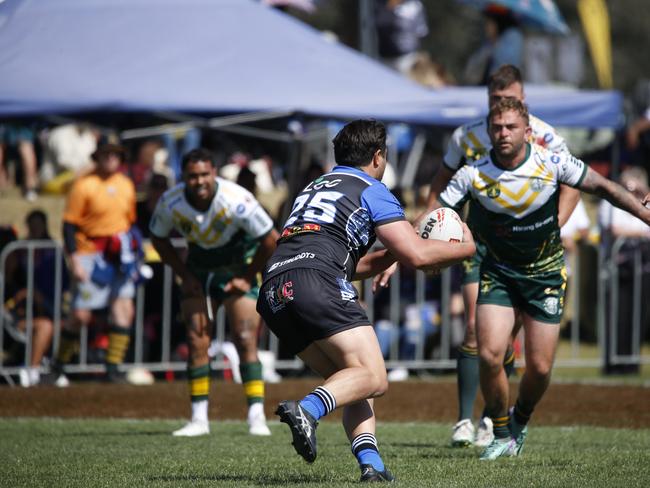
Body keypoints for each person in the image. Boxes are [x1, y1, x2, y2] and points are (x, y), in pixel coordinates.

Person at [256, 120, 476, 482]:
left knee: (354, 380)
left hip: (276, 287)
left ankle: (371, 466)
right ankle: (307, 410)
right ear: (378, 156)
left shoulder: (312, 187)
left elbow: (346, 262)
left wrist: (391, 255)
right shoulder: (372, 189)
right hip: (316, 281)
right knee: (374, 376)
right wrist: (469, 248)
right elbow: (419, 255)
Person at [438, 98, 650, 460]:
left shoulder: (552, 162)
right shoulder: (472, 173)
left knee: (539, 368)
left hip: (545, 276)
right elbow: (436, 215)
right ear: (489, 131)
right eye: (497, 127)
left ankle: (520, 420)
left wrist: (645, 216)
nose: (503, 134)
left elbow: (607, 188)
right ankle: (501, 432)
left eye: (511, 127)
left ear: (528, 131)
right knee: (490, 354)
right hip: (498, 274)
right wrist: (401, 253)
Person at [416, 64, 580, 449]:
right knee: (478, 330)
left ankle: (496, 419)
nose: (504, 107)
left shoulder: (545, 136)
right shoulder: (467, 135)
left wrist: (558, 221)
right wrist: (431, 227)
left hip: (533, 251)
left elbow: (576, 181)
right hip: (479, 243)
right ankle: (464, 420)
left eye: (514, 100)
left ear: (524, 101)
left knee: (514, 346)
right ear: (488, 102)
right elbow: (441, 182)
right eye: (495, 102)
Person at [149, 148, 278, 437]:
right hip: (200, 274)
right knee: (197, 342)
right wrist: (184, 275)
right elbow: (157, 237)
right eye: (193, 176)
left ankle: (256, 416)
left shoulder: (236, 200)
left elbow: (271, 239)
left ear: (214, 173)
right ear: (184, 177)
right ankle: (198, 419)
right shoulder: (171, 203)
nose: (199, 181)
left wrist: (246, 278)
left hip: (237, 270)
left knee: (245, 339)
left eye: (205, 174)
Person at [54, 143, 139, 386]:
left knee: (123, 310)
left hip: (119, 255)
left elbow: (129, 222)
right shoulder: (84, 185)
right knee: (80, 315)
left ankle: (113, 368)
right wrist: (74, 259)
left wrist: (133, 254)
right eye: (106, 154)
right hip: (90, 252)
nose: (111, 158)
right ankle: (58, 364)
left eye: (115, 155)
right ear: (98, 157)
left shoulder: (126, 184)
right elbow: (69, 224)